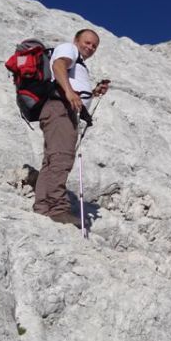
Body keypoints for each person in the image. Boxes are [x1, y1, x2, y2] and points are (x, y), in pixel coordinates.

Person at [33, 28, 109, 224]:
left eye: (94, 45)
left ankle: (42, 206)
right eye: (87, 42)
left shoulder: (78, 62)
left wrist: (92, 92)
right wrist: (69, 92)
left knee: (51, 159)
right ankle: (58, 208)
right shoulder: (69, 50)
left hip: (59, 109)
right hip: (60, 108)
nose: (90, 47)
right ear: (76, 40)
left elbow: (71, 82)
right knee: (61, 157)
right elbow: (59, 65)